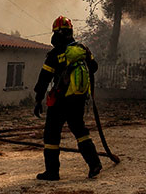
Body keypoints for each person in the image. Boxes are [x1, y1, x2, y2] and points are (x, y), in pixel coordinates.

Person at [33, 15, 102, 181]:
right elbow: (94, 67)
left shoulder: (55, 54)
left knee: (51, 135)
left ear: (58, 34)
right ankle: (94, 163)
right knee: (80, 131)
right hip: (78, 100)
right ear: (71, 32)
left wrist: (38, 99)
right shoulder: (82, 49)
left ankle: (52, 172)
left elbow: (44, 78)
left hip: (60, 101)